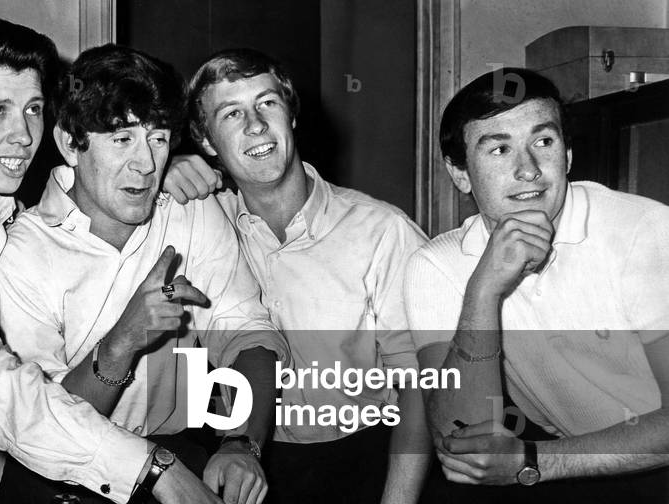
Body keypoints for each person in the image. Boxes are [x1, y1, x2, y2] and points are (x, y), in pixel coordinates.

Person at [0, 16, 224, 504]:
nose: (24, 136)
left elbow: (87, 176)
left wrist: (158, 163)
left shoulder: (3, 200)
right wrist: (153, 467)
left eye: (32, 109)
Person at [0, 44, 290, 504]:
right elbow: (43, 423)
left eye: (158, 138)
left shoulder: (190, 214)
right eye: (121, 138)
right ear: (70, 143)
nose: (146, 164)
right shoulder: (21, 251)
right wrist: (122, 341)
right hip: (56, 474)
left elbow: (246, 333)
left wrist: (240, 443)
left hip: (171, 448)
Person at [163, 48, 432, 504]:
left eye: (267, 103)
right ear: (206, 141)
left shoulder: (383, 231)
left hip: (367, 460)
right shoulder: (197, 225)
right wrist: (162, 170)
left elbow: (421, 387)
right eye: (232, 114)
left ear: (291, 114)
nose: (255, 125)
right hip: (235, 460)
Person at [404, 67, 669, 503]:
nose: (527, 170)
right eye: (499, 149)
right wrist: (483, 291)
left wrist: (536, 461)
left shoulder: (644, 230)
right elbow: (463, 443)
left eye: (542, 142)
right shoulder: (435, 266)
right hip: (585, 470)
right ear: (460, 174)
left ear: (566, 156)